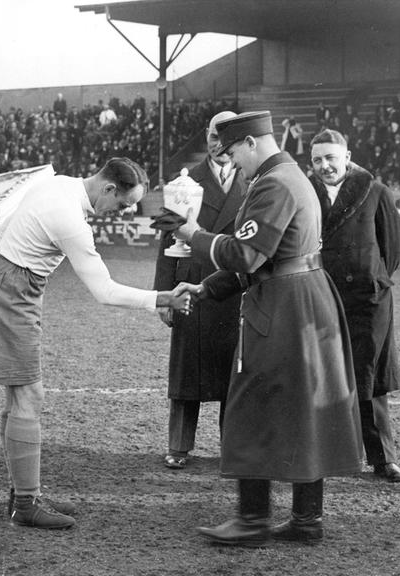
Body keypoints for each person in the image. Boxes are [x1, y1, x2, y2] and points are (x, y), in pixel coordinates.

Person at [0, 157, 192, 530]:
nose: (119, 212)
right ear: (107, 188)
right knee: (28, 396)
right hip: (8, 291)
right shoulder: (69, 216)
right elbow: (103, 291)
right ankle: (26, 504)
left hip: (11, 285)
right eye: (121, 204)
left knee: (21, 395)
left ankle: (22, 493)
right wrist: (162, 298)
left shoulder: (60, 184)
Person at [173, 111, 364, 547]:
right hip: (302, 296)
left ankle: (252, 520)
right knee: (305, 406)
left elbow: (245, 256)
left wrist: (194, 234)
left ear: (252, 144)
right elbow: (268, 255)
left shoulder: (273, 183)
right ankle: (305, 519)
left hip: (283, 305)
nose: (232, 161)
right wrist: (205, 289)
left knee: (250, 405)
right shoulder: (291, 176)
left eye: (233, 151)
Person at [308, 129, 400, 483]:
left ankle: (383, 459)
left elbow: (391, 251)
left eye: (331, 158)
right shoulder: (305, 194)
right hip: (322, 295)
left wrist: (369, 278)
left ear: (347, 157)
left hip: (368, 299)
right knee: (324, 376)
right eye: (318, 159)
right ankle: (331, 454)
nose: (325, 166)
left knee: (369, 379)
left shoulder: (376, 192)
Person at [153, 111, 245, 470]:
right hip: (189, 283)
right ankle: (179, 445)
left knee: (233, 371)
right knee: (186, 367)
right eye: (212, 136)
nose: (219, 145)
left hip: (234, 283)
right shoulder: (184, 181)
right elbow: (165, 238)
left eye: (226, 137)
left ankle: (233, 446)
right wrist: (163, 293)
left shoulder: (253, 181)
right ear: (205, 139)